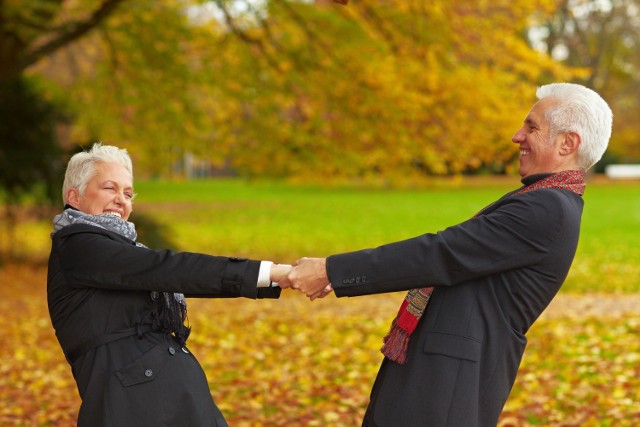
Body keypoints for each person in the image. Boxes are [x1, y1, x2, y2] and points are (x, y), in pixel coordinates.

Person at [281, 83, 613, 426]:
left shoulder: (548, 207)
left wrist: (331, 271)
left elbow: (440, 254)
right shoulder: (550, 201)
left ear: (567, 143)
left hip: (444, 392)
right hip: (440, 383)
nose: (517, 136)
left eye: (531, 127)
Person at [47, 143, 290, 427]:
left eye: (128, 193)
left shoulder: (117, 249)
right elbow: (165, 268)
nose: (121, 200)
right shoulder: (79, 245)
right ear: (74, 196)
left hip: (174, 399)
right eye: (109, 188)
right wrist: (266, 272)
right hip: (135, 407)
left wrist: (267, 277)